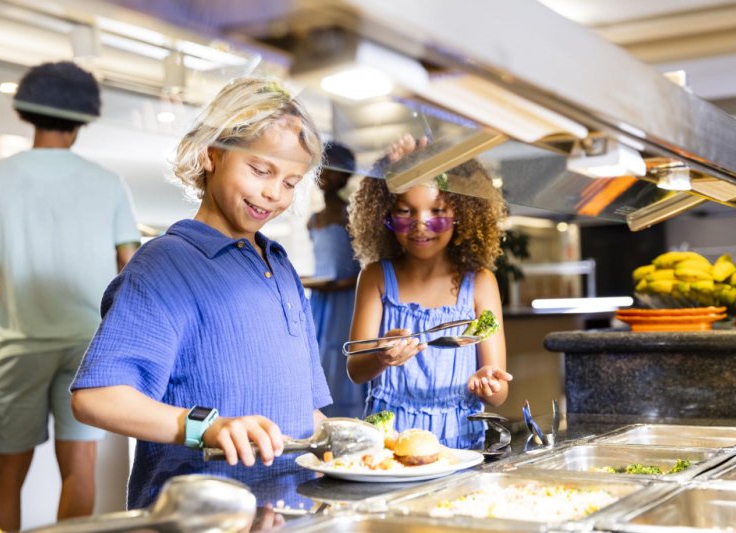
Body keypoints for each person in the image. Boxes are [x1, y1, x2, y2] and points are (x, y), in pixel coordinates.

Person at [70, 77, 332, 510]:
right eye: (261, 170)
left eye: (290, 182)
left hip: (287, 512)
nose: (274, 193)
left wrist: (349, 442)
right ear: (214, 154)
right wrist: (207, 428)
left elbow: (304, 412)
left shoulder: (281, 266)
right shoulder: (165, 264)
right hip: (198, 517)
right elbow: (97, 397)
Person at [0, 61, 140, 530]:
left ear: (26, 112)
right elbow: (130, 267)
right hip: (86, 346)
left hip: (17, 344)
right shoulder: (107, 182)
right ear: (82, 120)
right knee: (78, 469)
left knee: (7, 473)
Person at [347, 135, 513, 449]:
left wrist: (488, 385)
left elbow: (499, 392)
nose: (421, 225)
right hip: (389, 444)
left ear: (463, 213)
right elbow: (356, 369)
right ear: (384, 215)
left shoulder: (480, 283)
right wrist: (382, 357)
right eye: (405, 212)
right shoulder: (375, 278)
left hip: (461, 445)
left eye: (437, 212)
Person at [304, 141, 365, 418]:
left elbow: (364, 267)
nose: (324, 173)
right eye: (321, 167)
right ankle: (322, 419)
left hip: (345, 299)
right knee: (319, 355)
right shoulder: (313, 220)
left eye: (331, 168)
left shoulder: (351, 216)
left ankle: (348, 418)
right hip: (321, 300)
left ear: (344, 175)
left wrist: (336, 284)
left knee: (342, 354)